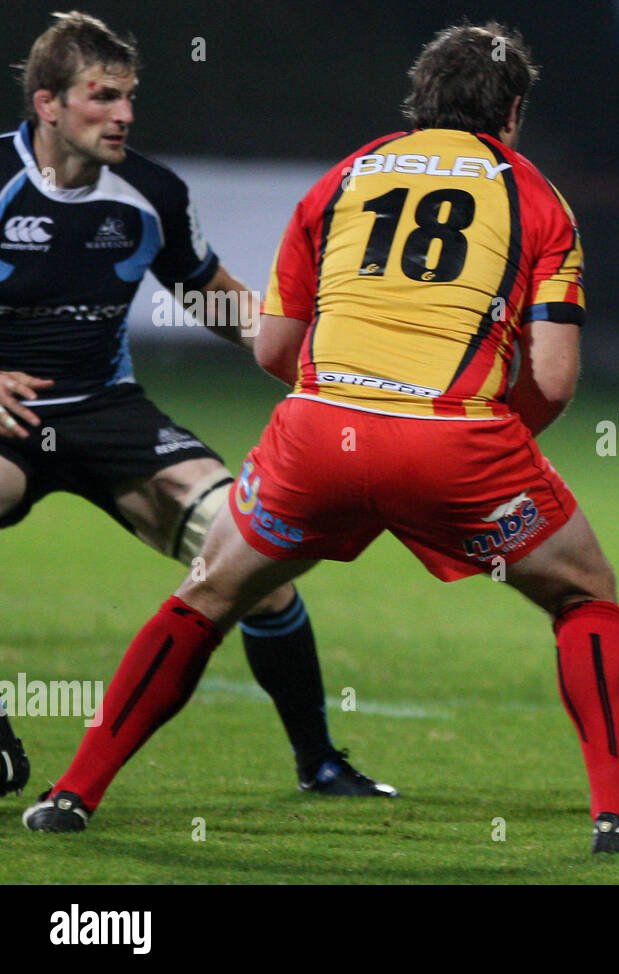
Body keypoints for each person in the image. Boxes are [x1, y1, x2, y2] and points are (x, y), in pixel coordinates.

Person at [23, 21, 619, 855]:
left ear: (419, 100)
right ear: (511, 113)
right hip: (455, 445)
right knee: (584, 594)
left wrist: (349, 402)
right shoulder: (536, 199)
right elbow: (553, 378)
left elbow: (273, 347)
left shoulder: (343, 179)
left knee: (207, 596)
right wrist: (481, 450)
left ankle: (72, 793)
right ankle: (618, 817)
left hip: (318, 430)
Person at [0, 11, 393, 799]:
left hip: (111, 411)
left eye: (130, 96)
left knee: (251, 554)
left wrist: (324, 367)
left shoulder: (151, 193)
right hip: (10, 418)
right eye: (103, 96)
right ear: (47, 103)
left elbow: (212, 298)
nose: (124, 114)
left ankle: (318, 760)